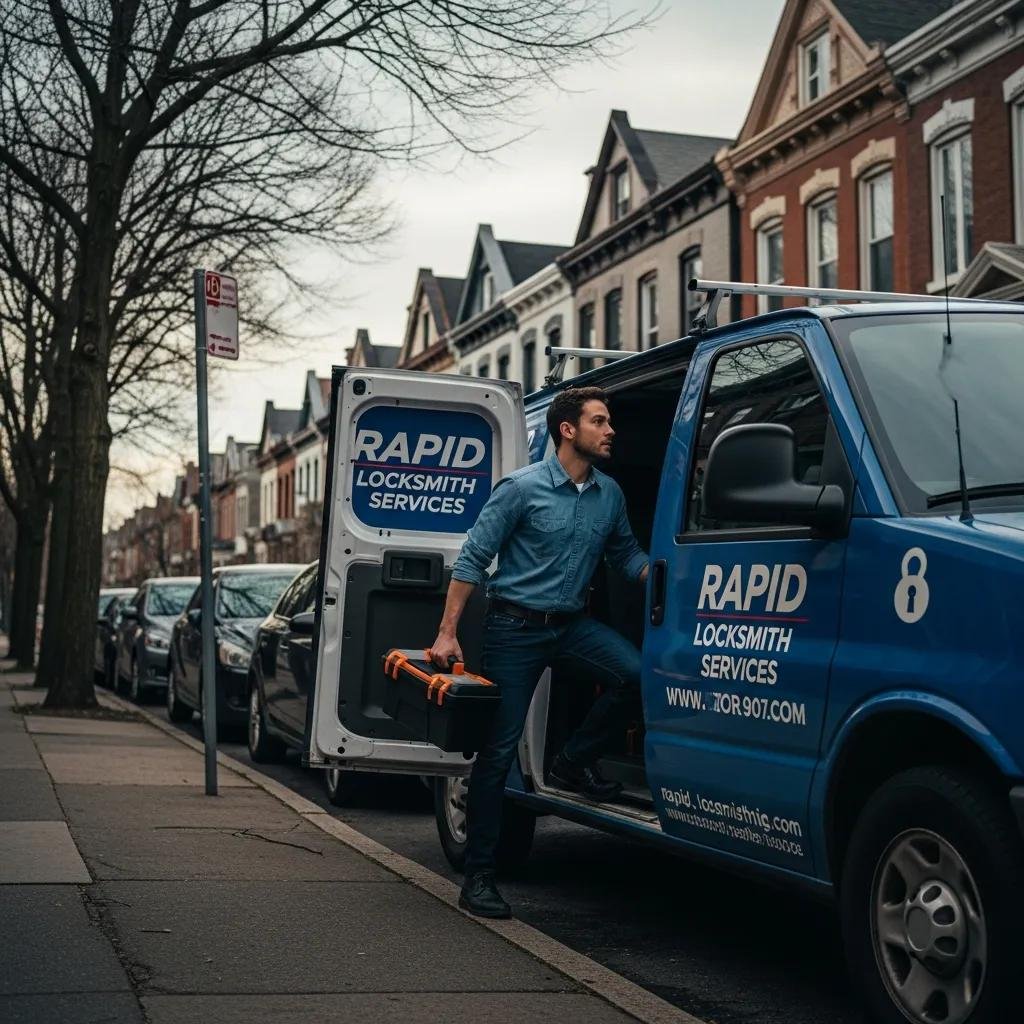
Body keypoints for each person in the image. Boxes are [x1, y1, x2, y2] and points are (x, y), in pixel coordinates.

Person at [427, 386, 649, 919]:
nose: (610, 430)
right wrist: (447, 633)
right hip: (514, 627)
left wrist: (671, 578)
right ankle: (478, 875)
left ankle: (572, 762)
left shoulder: (609, 495)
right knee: (499, 751)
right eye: (600, 421)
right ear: (568, 430)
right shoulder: (520, 489)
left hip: (571, 626)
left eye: (609, 421)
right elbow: (472, 561)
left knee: (636, 676)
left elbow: (625, 556)